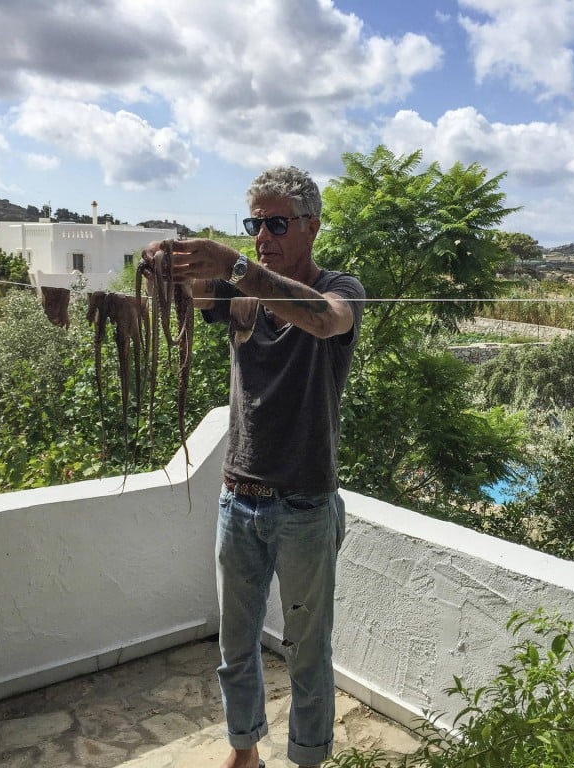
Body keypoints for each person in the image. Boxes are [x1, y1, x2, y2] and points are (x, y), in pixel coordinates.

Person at [149, 166, 364, 768]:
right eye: (255, 224)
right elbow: (196, 296)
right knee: (234, 646)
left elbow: (325, 320)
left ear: (311, 227)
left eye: (276, 223)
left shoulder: (341, 287)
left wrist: (235, 262)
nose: (263, 234)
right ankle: (244, 752)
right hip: (236, 499)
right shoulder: (241, 297)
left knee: (307, 652)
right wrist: (172, 263)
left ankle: (307, 759)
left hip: (304, 504)